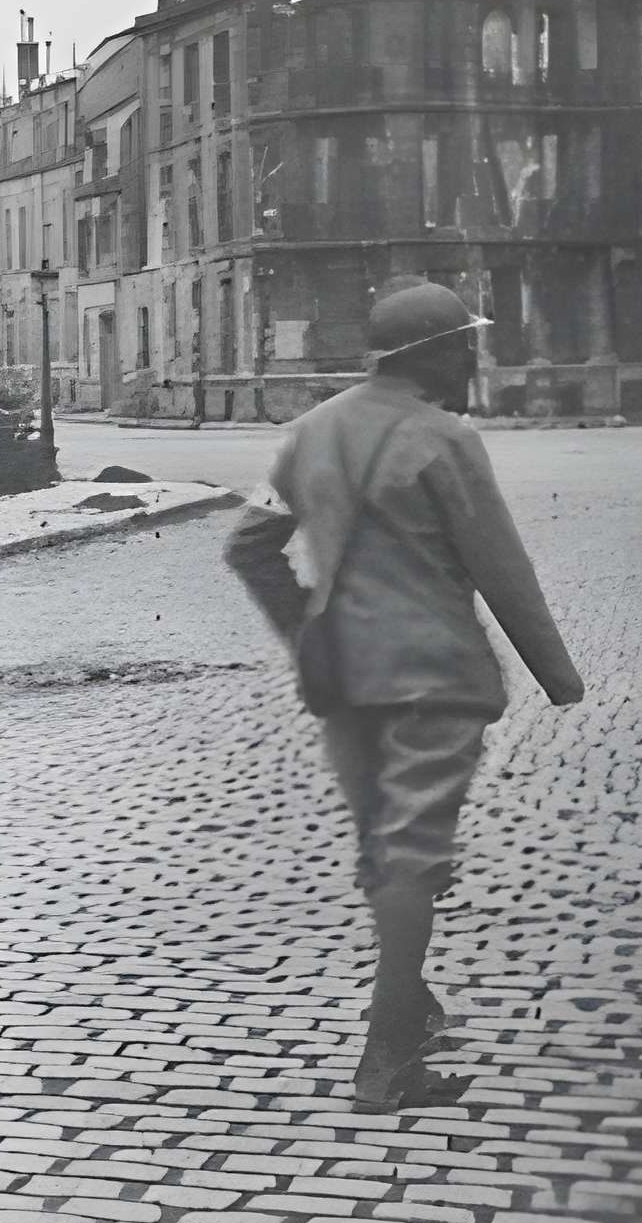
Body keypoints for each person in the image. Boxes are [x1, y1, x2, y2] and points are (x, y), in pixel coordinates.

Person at [224, 277, 585, 1113]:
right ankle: (389, 1060)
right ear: (434, 354)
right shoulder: (444, 437)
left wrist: (308, 634)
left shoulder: (304, 433)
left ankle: (410, 1001)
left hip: (342, 679)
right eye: (464, 345)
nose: (472, 358)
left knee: (387, 849)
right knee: (414, 859)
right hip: (433, 677)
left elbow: (249, 546)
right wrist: (558, 678)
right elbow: (503, 569)